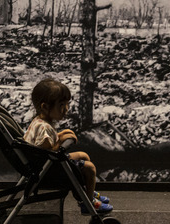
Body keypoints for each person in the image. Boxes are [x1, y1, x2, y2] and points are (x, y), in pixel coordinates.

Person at [24, 78, 113, 215]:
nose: (66, 109)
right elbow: (48, 152)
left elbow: (47, 143)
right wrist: (63, 141)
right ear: (45, 107)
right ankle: (87, 203)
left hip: (45, 164)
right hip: (49, 168)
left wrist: (61, 135)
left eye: (67, 104)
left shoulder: (39, 121)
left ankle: (85, 190)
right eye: (61, 104)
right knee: (90, 168)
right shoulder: (44, 128)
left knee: (83, 155)